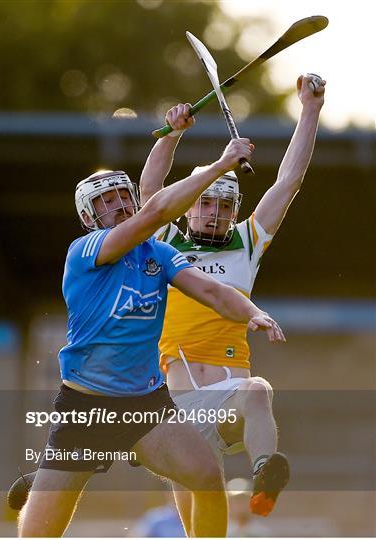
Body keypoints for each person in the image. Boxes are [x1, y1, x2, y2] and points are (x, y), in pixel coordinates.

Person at [14, 135, 286, 537]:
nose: (119, 204)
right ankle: (48, 476)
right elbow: (157, 210)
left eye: (123, 195)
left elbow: (211, 291)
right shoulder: (87, 249)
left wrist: (252, 312)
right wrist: (219, 166)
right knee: (38, 534)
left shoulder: (158, 254)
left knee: (207, 476)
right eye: (105, 202)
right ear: (89, 218)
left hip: (147, 404)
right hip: (85, 407)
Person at [138, 74, 325, 530]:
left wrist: (310, 110)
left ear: (235, 212)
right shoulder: (164, 242)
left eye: (224, 207)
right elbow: (149, 192)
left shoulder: (246, 242)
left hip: (228, 397)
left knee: (258, 390)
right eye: (205, 204)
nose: (215, 213)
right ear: (188, 207)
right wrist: (172, 134)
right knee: (202, 529)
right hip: (177, 404)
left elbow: (290, 180)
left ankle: (264, 475)